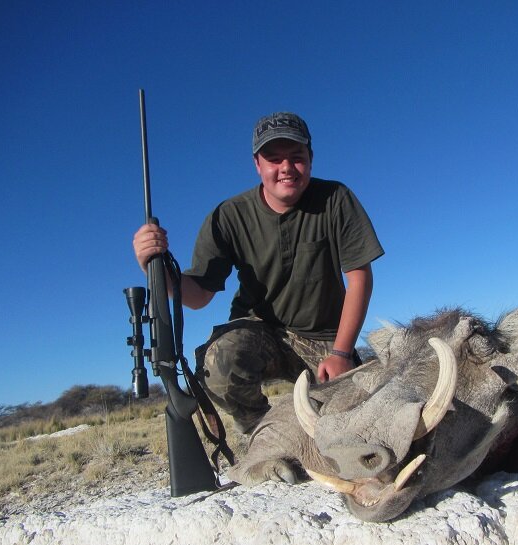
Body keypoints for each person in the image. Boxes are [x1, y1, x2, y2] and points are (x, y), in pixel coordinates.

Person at [132, 112, 384, 434]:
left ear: (311, 158)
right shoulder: (228, 216)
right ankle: (267, 436)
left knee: (368, 410)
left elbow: (359, 277)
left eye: (297, 158)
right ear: (257, 165)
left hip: (325, 339)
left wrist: (341, 352)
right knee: (218, 366)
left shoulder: (337, 199)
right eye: (274, 159)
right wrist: (155, 269)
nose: (286, 168)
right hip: (260, 332)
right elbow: (198, 297)